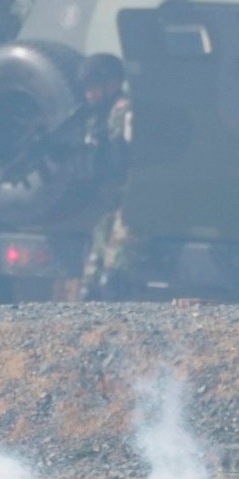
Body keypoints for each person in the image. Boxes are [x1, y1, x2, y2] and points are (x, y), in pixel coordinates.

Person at [75, 53, 137, 300]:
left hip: (129, 198)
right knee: (90, 280)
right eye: (86, 88)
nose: (89, 95)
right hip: (107, 199)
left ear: (111, 84)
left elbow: (130, 156)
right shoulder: (97, 117)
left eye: (94, 87)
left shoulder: (123, 113)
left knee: (112, 275)